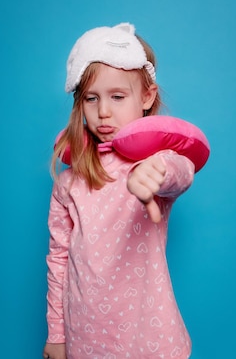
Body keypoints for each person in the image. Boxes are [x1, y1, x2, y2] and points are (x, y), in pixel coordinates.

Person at [43, 23, 196, 359]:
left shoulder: (154, 163)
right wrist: (56, 332)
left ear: (147, 96)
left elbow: (181, 171)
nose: (103, 112)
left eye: (117, 96)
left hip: (148, 332)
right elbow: (59, 258)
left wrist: (156, 174)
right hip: (86, 332)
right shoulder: (70, 181)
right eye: (91, 99)